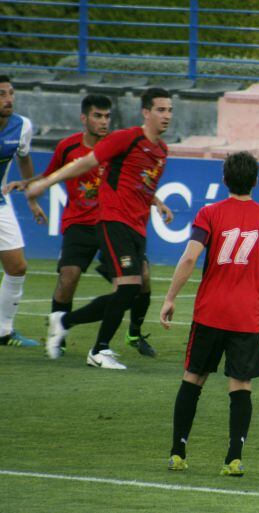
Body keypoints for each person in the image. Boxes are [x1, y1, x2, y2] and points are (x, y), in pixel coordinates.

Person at [5, 94, 172, 357]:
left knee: (136, 284)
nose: (104, 121)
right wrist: (33, 186)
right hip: (86, 223)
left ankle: (130, 334)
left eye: (107, 116)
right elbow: (56, 172)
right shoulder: (75, 146)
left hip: (117, 223)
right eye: (98, 115)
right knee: (70, 277)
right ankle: (71, 338)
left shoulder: (148, 148)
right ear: (84, 118)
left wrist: (158, 202)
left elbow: (136, 182)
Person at [160, 151, 259, 476]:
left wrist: (170, 297)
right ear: (256, 181)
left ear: (224, 179)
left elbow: (189, 258)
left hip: (209, 312)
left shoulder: (209, 213)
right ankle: (233, 458)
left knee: (194, 377)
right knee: (240, 384)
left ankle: (178, 452)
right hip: (247, 316)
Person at [0, 75, 45, 348]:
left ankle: (4, 331)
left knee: (17, 266)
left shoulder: (21, 126)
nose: (8, 99)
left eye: (11, 93)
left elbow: (25, 159)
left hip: (1, 201)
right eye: (2, 94)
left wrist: (31, 198)